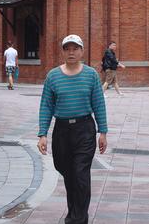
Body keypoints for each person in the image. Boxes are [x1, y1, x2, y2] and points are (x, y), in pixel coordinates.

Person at [38, 35, 107, 224]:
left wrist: (103, 132)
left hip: (84, 129)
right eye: (67, 48)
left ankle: (78, 219)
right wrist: (42, 134)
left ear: (82, 51)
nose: (71, 52)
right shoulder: (53, 76)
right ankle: (74, 212)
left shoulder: (91, 75)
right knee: (67, 171)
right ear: (62, 52)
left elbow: (99, 104)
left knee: (80, 173)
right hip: (62, 131)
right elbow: (46, 106)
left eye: (75, 48)